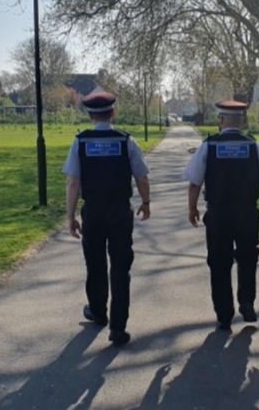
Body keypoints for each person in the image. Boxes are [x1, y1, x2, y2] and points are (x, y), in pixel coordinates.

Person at [63, 91, 151, 346]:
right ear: (113, 113)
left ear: (91, 115)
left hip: (94, 212)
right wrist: (145, 203)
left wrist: (70, 216)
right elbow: (142, 177)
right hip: (120, 212)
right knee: (121, 267)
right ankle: (118, 327)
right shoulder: (126, 141)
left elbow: (73, 182)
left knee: (95, 263)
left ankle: (98, 311)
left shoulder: (80, 142)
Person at [184, 100, 259, 330]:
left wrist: (192, 208)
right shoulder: (254, 146)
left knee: (219, 262)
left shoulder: (209, 146)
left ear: (221, 120)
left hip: (218, 215)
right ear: (242, 121)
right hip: (246, 213)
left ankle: (224, 314)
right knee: (248, 258)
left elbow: (194, 182)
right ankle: (247, 302)